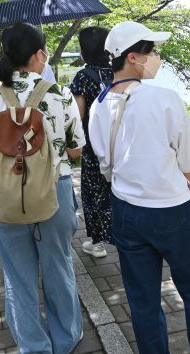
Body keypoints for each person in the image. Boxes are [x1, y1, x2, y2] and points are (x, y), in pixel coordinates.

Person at [88, 21, 190, 354]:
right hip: (172, 211)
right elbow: (189, 160)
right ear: (133, 57)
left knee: (142, 299)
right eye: (153, 51)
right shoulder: (165, 99)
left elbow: (105, 165)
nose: (157, 57)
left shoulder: (99, 105)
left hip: (126, 211)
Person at [0, 22, 85, 354]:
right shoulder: (58, 94)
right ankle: (66, 338)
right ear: (38, 55)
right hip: (55, 192)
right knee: (58, 266)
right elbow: (76, 150)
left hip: (6, 195)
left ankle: (34, 346)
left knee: (18, 277)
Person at [69, 27, 114, 258]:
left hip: (93, 147)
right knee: (119, 190)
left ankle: (97, 243)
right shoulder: (119, 72)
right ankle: (125, 237)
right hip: (120, 144)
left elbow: (77, 116)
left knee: (95, 191)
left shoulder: (83, 77)